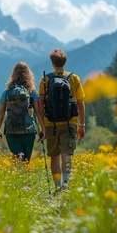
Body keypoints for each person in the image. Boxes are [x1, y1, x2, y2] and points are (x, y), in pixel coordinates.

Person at [38, 49, 85, 193]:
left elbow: (40, 105)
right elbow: (80, 103)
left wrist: (43, 127)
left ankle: (58, 187)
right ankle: (66, 184)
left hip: (50, 123)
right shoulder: (74, 78)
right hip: (69, 122)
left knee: (54, 156)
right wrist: (81, 124)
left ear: (52, 64)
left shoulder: (45, 80)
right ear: (65, 62)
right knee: (67, 155)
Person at [0, 62, 46, 162]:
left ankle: (17, 175)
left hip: (11, 130)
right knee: (26, 161)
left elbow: (2, 113)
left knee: (17, 160)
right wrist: (43, 129)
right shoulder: (32, 92)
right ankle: (25, 176)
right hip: (29, 130)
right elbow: (38, 111)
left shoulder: (7, 91)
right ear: (28, 75)